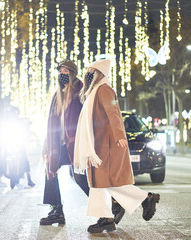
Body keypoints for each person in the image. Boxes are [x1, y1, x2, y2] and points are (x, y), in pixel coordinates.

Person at [74, 59, 160, 233]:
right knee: (103, 183)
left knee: (104, 182)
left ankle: (108, 216)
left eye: (92, 70)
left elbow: (113, 113)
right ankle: (141, 201)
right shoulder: (94, 91)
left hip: (107, 146)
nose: (88, 73)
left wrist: (120, 135)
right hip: (98, 145)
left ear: (100, 73)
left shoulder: (104, 90)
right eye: (88, 70)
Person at [40, 60, 89, 226]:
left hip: (75, 143)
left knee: (80, 179)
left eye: (66, 71)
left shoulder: (80, 90)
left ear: (73, 73)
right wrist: (46, 145)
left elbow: (87, 111)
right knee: (50, 171)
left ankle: (109, 207)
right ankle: (56, 210)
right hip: (58, 144)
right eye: (60, 72)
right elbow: (52, 123)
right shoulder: (57, 95)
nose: (63, 74)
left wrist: (73, 86)